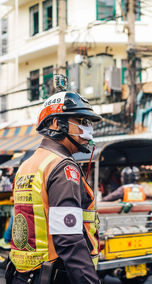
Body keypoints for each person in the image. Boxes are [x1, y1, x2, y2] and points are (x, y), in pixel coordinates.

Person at [6, 87, 102, 284]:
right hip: (52, 276)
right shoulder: (63, 167)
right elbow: (68, 238)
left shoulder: (28, 164)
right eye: (82, 122)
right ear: (57, 123)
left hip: (22, 275)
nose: (88, 129)